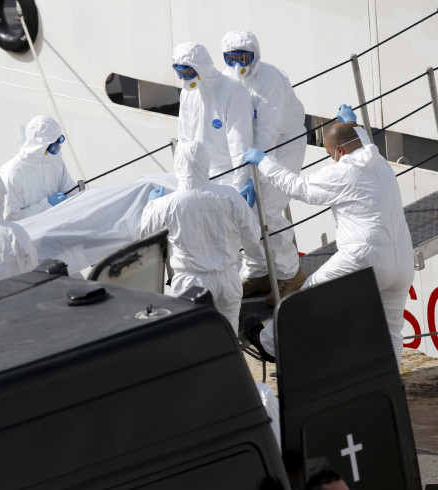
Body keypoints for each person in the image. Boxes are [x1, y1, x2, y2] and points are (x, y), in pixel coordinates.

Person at [244, 107, 414, 366]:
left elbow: (297, 187)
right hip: (402, 259)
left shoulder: (342, 171)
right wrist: (351, 122)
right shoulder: (376, 159)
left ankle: (269, 345)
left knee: (306, 296)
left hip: (363, 257)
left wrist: (263, 161)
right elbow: (360, 140)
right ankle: (391, 382)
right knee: (391, 327)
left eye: (329, 154)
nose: (331, 159)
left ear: (340, 151)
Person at [221, 30, 307, 305]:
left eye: (243, 57)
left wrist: (251, 174)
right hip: (251, 149)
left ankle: (289, 275)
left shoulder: (270, 79)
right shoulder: (229, 80)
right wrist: (242, 172)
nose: (238, 64)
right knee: (245, 213)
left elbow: (268, 130)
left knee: (267, 210)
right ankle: (259, 272)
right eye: (231, 58)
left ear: (255, 54)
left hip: (283, 144)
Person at [140, 141, 261, 334]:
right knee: (228, 338)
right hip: (228, 278)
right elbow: (253, 237)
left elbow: (145, 233)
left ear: (178, 165)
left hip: (191, 283)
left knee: (193, 341)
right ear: (206, 163)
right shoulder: (229, 195)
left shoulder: (167, 205)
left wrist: (151, 205)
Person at [172, 42, 253, 191]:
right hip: (196, 176)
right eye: (180, 74)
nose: (184, 79)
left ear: (201, 67)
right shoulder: (188, 93)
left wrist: (241, 181)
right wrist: (183, 178)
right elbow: (184, 137)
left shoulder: (232, 90)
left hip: (226, 176)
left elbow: (239, 141)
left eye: (188, 73)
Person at [0, 115, 76, 221]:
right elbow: (11, 218)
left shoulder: (55, 161)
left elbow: (70, 190)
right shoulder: (14, 174)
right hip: (28, 235)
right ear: (41, 145)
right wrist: (46, 206)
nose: (58, 147)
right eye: (53, 144)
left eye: (59, 141)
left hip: (54, 228)